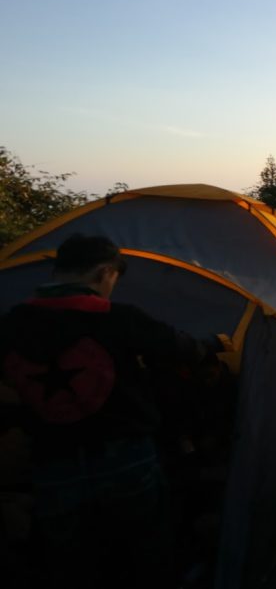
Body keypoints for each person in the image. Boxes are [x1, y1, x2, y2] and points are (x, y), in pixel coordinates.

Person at [0, 234, 227, 589]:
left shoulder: (12, 323)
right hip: (125, 459)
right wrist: (215, 343)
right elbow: (182, 348)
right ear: (105, 272)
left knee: (70, 564)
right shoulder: (120, 319)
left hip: (52, 465)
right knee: (146, 554)